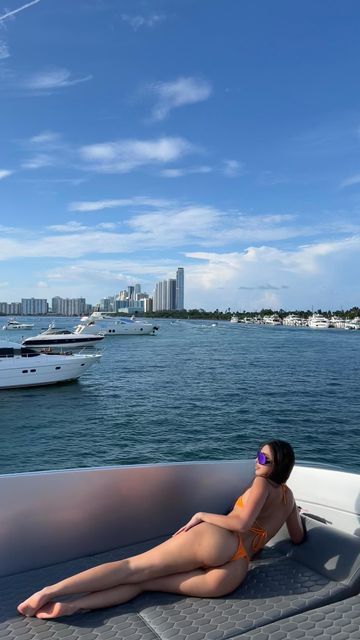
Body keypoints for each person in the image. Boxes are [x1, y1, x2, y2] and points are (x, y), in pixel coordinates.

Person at [17, 440, 305, 620]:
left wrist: (202, 514)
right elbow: (298, 537)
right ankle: (72, 608)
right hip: (235, 571)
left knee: (132, 567)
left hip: (221, 540)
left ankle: (48, 592)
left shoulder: (261, 484)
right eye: (258, 455)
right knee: (142, 584)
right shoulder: (289, 499)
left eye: (264, 459)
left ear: (277, 466)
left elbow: (241, 523)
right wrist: (295, 517)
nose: (257, 461)